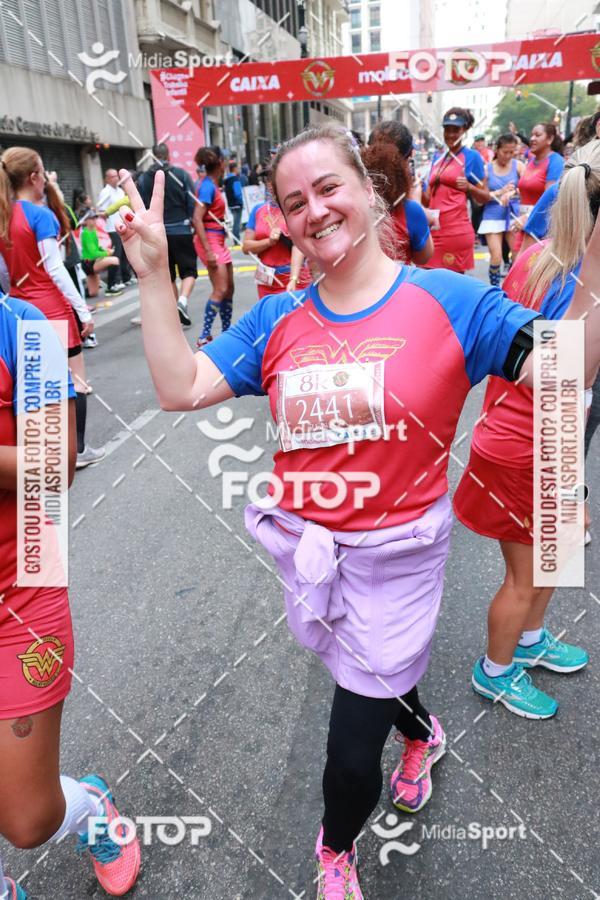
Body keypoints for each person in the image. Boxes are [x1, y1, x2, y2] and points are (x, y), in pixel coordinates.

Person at [111, 121, 600, 898]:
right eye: (294, 201)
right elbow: (179, 387)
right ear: (282, 219)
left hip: (399, 560)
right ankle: (424, 730)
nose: (315, 211)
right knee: (374, 668)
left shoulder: (452, 301)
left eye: (329, 187)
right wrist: (147, 277)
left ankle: (334, 850)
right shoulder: (279, 321)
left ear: (369, 194)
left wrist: (598, 265)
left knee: (347, 751)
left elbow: (564, 374)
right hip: (314, 558)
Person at [0, 296, 141, 899]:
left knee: (27, 821)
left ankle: (90, 809)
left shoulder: (21, 326)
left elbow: (56, 463)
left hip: (23, 589)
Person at [453, 141, 600, 719]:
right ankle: (495, 671)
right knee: (525, 573)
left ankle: (533, 639)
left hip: (545, 435)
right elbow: (569, 375)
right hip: (522, 446)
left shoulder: (538, 258)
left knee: (557, 554)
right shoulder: (575, 282)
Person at [0, 148, 105, 469]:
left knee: (31, 386)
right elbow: (56, 269)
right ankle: (78, 449)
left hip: (17, 306)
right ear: (33, 177)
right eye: (43, 172)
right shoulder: (39, 215)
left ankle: (34, 454)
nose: (45, 179)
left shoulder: (4, 215)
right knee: (75, 381)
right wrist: (83, 311)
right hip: (50, 307)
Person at [136, 143, 198, 327]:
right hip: (181, 229)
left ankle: (174, 312)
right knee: (189, 271)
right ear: (168, 155)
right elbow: (191, 201)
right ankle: (183, 301)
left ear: (152, 156)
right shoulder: (181, 175)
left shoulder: (144, 178)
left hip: (158, 232)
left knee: (168, 274)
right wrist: (190, 220)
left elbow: (143, 205)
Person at [422, 108, 488, 273]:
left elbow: (485, 197)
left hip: (455, 233)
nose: (451, 134)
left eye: (456, 130)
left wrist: (469, 187)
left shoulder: (472, 157)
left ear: (464, 130)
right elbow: (427, 199)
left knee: (451, 291)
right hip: (433, 231)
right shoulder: (438, 158)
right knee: (428, 287)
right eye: (447, 129)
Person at [362, 122, 433, 265]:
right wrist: (416, 203)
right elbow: (423, 257)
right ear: (406, 160)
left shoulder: (347, 200)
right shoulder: (411, 210)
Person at [193, 146, 234, 346]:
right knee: (221, 288)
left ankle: (226, 332)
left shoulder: (213, 185)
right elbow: (197, 218)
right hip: (210, 242)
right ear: (220, 163)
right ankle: (204, 335)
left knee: (229, 289)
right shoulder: (207, 186)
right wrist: (208, 251)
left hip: (218, 240)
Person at [242, 189, 310, 298]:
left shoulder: (295, 207)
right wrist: (269, 242)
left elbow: (298, 245)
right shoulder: (258, 209)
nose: (270, 187)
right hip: (266, 279)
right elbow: (246, 247)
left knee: (293, 313)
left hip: (293, 276)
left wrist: (293, 278)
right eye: (267, 180)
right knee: (268, 314)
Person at [477, 133, 524, 284]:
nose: (508, 156)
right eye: (505, 152)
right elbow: (480, 198)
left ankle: (515, 288)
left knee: (518, 255)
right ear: (497, 150)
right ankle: (495, 289)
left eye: (512, 152)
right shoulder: (486, 169)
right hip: (492, 214)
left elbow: (527, 189)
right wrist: (500, 192)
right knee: (496, 255)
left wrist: (513, 192)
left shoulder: (518, 166)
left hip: (513, 215)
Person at [512, 122, 564, 253]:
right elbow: (528, 189)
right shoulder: (531, 160)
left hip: (539, 229)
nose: (532, 139)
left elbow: (551, 198)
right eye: (532, 135)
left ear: (550, 139)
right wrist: (511, 193)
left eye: (537, 135)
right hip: (522, 224)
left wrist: (528, 216)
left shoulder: (556, 161)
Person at [96, 169, 132, 294]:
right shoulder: (105, 192)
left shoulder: (120, 191)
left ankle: (125, 278)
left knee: (124, 254)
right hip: (111, 228)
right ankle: (113, 283)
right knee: (115, 255)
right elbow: (101, 210)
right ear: (106, 179)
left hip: (122, 226)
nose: (116, 178)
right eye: (112, 177)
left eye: (117, 176)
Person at [80, 209, 122, 300]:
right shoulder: (86, 233)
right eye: (92, 219)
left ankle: (81, 294)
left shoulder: (93, 231)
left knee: (93, 293)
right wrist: (107, 253)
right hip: (88, 263)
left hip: (92, 262)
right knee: (115, 260)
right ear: (86, 221)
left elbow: (96, 248)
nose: (95, 220)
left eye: (95, 218)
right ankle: (111, 286)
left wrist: (104, 250)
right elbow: (93, 254)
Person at [224, 161, 244, 244]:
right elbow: (237, 192)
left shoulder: (227, 179)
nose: (239, 169)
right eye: (238, 168)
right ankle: (237, 240)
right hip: (236, 203)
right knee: (237, 223)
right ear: (234, 169)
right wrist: (240, 202)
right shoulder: (235, 179)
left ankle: (236, 239)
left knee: (235, 222)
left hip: (230, 203)